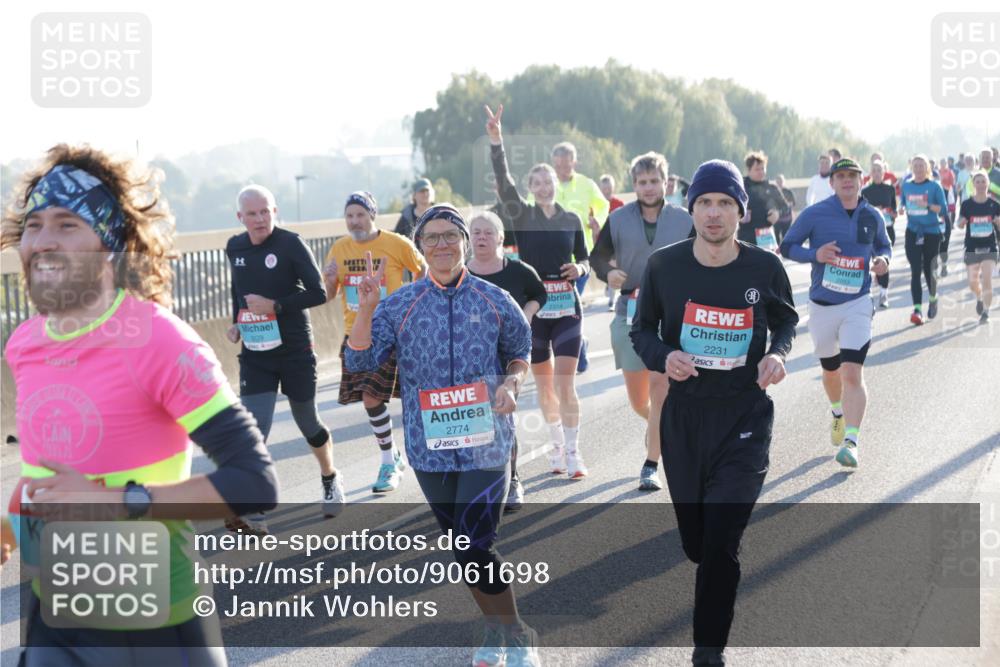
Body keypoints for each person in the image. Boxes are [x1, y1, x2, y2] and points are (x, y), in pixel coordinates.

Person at [0, 145, 278, 667]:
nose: (42, 241)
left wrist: (117, 502)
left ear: (110, 244)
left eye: (67, 225)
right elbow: (50, 471)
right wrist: (11, 527)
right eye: (34, 226)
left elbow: (254, 482)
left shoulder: (158, 340)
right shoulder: (25, 344)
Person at [345, 204, 539, 667]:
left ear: (465, 242)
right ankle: (495, 630)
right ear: (420, 247)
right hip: (429, 449)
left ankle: (517, 634)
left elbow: (520, 351)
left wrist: (513, 383)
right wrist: (366, 310)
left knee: (476, 544)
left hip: (486, 443)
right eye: (431, 238)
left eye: (450, 235)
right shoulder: (399, 305)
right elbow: (359, 361)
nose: (442, 245)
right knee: (462, 549)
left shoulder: (494, 298)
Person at [631, 159, 797, 667]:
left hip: (744, 416)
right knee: (698, 544)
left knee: (722, 541)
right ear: (691, 209)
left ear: (741, 212)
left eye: (725, 203)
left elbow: (786, 323)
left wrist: (777, 355)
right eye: (704, 202)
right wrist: (665, 357)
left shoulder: (764, 268)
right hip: (685, 418)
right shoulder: (665, 266)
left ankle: (708, 652)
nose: (714, 213)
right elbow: (642, 330)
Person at [487, 104, 591, 479]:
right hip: (535, 310)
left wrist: (580, 269)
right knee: (546, 389)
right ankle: (557, 447)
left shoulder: (570, 218)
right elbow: (503, 181)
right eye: (538, 183)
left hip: (567, 308)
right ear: (531, 189)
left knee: (566, 385)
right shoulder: (523, 215)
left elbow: (585, 258)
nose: (545, 187)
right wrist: (496, 141)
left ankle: (575, 453)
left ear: (556, 185)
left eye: (549, 182)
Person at [225, 185, 335, 535]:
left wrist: (276, 306)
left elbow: (319, 292)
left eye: (265, 211)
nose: (260, 219)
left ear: (275, 211)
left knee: (308, 422)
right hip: (256, 354)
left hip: (294, 351)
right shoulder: (235, 246)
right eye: (252, 214)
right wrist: (236, 322)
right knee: (254, 429)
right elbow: (238, 289)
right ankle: (254, 509)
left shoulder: (291, 244)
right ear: (240, 217)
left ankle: (329, 477)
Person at [590, 151, 693, 491]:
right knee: (639, 401)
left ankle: (651, 464)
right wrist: (608, 273)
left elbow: (702, 256)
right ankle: (657, 426)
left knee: (660, 388)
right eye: (642, 182)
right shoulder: (618, 218)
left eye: (654, 181)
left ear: (666, 182)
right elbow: (598, 257)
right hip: (629, 311)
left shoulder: (684, 219)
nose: (649, 187)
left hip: (671, 313)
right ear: (634, 184)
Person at [780, 158, 891, 468]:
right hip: (823, 306)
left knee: (852, 372)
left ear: (861, 180)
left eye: (852, 175)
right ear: (832, 183)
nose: (846, 180)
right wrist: (815, 254)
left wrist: (884, 260)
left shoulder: (872, 215)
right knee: (831, 372)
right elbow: (787, 246)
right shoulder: (815, 214)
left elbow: (884, 246)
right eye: (840, 176)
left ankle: (852, 442)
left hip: (858, 303)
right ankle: (838, 412)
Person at [324, 191, 427, 493]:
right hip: (358, 333)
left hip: (395, 331)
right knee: (370, 397)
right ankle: (388, 460)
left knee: (414, 397)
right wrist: (328, 279)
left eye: (360, 214)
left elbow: (422, 269)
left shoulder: (396, 243)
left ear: (372, 215)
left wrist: (411, 300)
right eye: (349, 216)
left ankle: (427, 453)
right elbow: (329, 295)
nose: (355, 221)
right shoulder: (339, 249)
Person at [467, 211, 547, 512]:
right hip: (471, 357)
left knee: (503, 418)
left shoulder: (518, 271)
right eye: (476, 232)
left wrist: (526, 314)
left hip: (509, 356)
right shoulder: (461, 274)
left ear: (500, 237)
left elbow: (539, 293)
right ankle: (473, 480)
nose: (482, 237)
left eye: (488, 232)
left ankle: (512, 479)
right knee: (475, 418)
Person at [549, 141, 609, 373]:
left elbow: (602, 206)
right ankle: (579, 346)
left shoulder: (586, 184)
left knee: (570, 307)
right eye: (558, 165)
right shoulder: (547, 184)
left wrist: (597, 221)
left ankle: (579, 357)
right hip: (553, 260)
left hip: (580, 259)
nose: (562, 169)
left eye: (566, 164)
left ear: (574, 162)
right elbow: (530, 210)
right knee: (563, 310)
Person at [900, 155, 947, 324]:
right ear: (912, 168)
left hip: (931, 232)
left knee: (929, 268)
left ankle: (933, 297)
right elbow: (903, 202)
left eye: (922, 166)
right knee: (915, 270)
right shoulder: (906, 185)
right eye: (916, 166)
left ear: (927, 168)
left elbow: (943, 210)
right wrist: (901, 208)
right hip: (913, 232)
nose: (918, 169)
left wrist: (926, 205)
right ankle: (917, 310)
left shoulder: (934, 186)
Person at [956, 171, 1000, 323]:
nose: (981, 185)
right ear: (973, 184)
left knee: (987, 279)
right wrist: (961, 223)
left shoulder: (995, 204)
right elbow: (959, 223)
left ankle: (986, 312)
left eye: (983, 181)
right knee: (972, 282)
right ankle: (979, 297)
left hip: (989, 246)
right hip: (972, 246)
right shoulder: (967, 204)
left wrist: (998, 222)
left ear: (988, 184)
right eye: (978, 182)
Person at [862, 160, 899, 309]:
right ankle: (870, 291)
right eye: (874, 170)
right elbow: (862, 213)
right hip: (870, 231)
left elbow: (894, 211)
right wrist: (875, 211)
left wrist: (892, 213)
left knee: (883, 260)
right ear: (870, 173)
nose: (877, 173)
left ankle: (883, 294)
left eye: (879, 170)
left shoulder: (890, 189)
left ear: (884, 172)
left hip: (887, 229)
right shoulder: (865, 191)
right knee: (873, 261)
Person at [740, 151, 789, 251]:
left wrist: (778, 213)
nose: (761, 172)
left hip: (767, 237)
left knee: (768, 260)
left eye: (763, 168)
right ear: (748, 170)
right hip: (746, 238)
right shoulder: (740, 188)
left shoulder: (772, 188)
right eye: (757, 169)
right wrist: (738, 214)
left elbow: (786, 208)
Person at [598, 174, 625, 311]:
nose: (607, 191)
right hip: (602, 244)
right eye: (604, 188)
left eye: (609, 188)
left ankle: (611, 301)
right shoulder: (596, 204)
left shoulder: (619, 204)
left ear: (613, 188)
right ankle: (608, 286)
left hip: (616, 242)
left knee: (614, 267)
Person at [773, 174, 796, 244]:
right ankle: (777, 249)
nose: (779, 183)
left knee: (785, 236)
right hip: (776, 218)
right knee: (776, 236)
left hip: (787, 218)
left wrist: (787, 205)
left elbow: (793, 203)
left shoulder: (788, 191)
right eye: (778, 181)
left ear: (784, 181)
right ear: (776, 182)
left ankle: (784, 249)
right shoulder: (773, 192)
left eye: (781, 181)